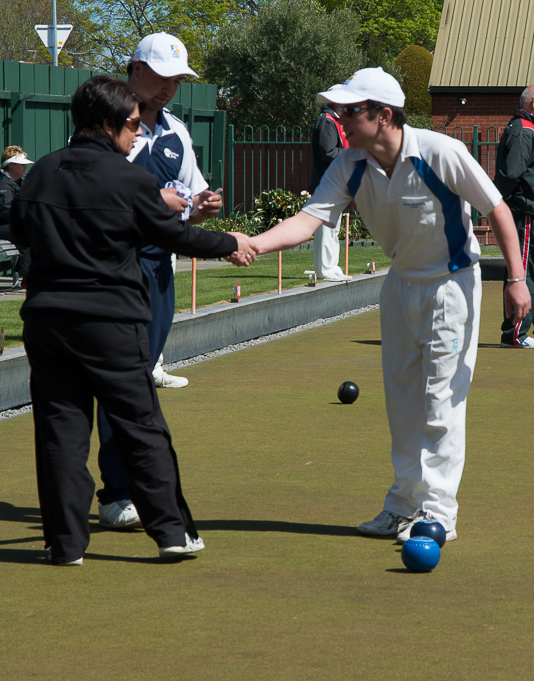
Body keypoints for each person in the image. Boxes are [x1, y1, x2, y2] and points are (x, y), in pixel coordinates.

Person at [251, 67, 530, 544]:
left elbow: (497, 209)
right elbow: (307, 221)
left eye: (350, 110)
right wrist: (253, 244)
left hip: (451, 286)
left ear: (383, 115)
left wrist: (517, 280)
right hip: (400, 285)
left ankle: (438, 513)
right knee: (402, 402)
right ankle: (402, 505)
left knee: (441, 402)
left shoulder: (441, 151)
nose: (340, 118)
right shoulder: (349, 164)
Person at [9, 75, 257, 566]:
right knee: (140, 424)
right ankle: (171, 533)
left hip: (46, 321)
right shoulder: (129, 179)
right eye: (132, 124)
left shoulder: (41, 174)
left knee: (60, 432)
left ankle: (66, 544)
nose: (138, 132)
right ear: (108, 124)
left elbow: (21, 231)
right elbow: (175, 236)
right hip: (110, 322)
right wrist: (231, 242)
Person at [96, 32, 222, 530]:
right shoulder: (105, 127)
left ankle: (133, 486)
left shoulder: (177, 132)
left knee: (142, 374)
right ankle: (117, 492)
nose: (170, 87)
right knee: (121, 379)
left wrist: (203, 204)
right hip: (115, 267)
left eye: (178, 80)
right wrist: (158, 203)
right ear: (135, 70)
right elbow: (95, 194)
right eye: (162, 76)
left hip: (159, 268)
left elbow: (191, 194)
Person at [494, 84, 534, 347]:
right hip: (524, 211)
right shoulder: (524, 130)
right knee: (522, 270)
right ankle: (515, 333)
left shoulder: (525, 128)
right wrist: (500, 201)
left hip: (526, 209)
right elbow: (512, 174)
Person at [310, 85, 351, 282]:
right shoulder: (327, 120)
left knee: (333, 228)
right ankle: (325, 269)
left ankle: (331, 266)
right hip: (327, 183)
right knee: (327, 228)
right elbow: (328, 152)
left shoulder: (333, 120)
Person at [0, 146, 33, 288]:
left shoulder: (19, 181)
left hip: (13, 223)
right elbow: (6, 211)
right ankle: (26, 277)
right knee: (28, 235)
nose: (25, 167)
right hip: (3, 225)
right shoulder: (3, 183)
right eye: (22, 164)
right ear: (11, 165)